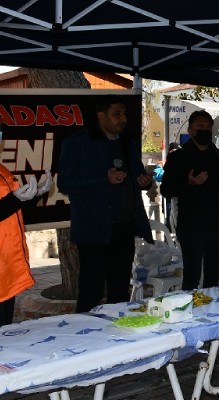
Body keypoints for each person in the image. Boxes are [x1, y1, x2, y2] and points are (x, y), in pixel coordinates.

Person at [58, 96, 155, 313]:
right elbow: (64, 183)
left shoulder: (127, 141)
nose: (123, 119)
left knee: (119, 288)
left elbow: (136, 174)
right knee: (92, 290)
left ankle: (117, 336)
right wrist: (104, 178)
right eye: (117, 114)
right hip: (94, 229)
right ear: (101, 116)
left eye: (125, 114)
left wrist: (145, 182)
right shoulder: (77, 142)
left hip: (124, 225)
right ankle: (86, 338)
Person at [160, 110, 219, 290]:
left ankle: (212, 313)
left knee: (213, 279)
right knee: (192, 277)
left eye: (208, 127)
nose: (205, 130)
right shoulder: (178, 157)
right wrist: (189, 183)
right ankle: (191, 315)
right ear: (191, 130)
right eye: (200, 127)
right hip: (191, 226)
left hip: (217, 224)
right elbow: (166, 189)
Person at [0, 165, 52, 326]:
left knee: (4, 331)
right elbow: (10, 203)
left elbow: (12, 211)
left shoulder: (2, 169)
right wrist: (14, 200)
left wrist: (35, 195)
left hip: (6, 267)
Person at [154, 142, 181, 231]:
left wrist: (159, 166)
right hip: (171, 201)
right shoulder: (170, 166)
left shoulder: (180, 167)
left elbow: (159, 176)